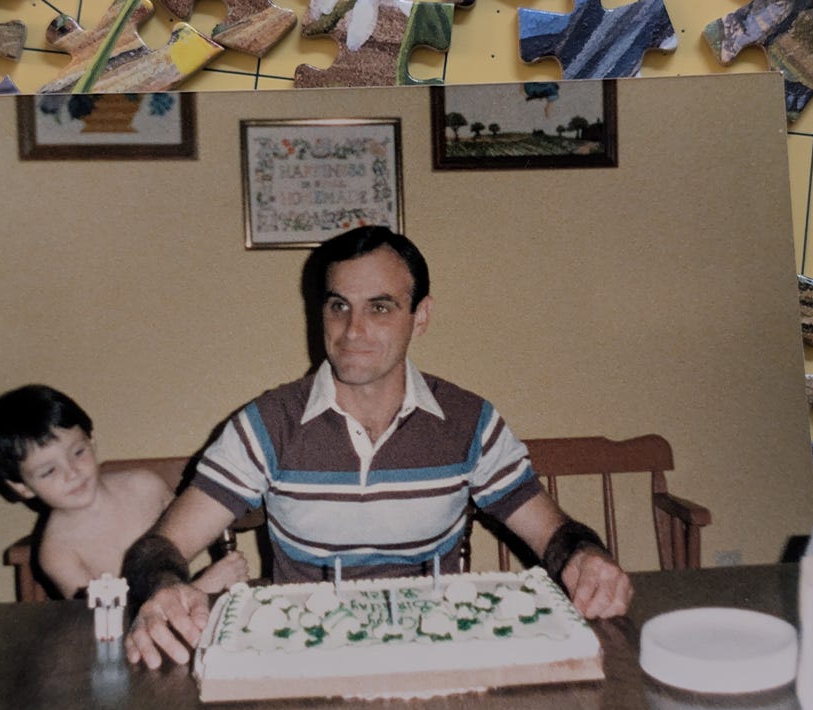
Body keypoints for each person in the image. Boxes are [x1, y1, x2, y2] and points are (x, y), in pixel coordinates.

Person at [122, 226, 632, 669]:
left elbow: (555, 534)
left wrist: (586, 556)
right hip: (306, 661)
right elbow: (158, 548)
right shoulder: (267, 425)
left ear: (420, 316)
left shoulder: (469, 423)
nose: (353, 330)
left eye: (380, 307)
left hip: (438, 658)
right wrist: (163, 588)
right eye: (338, 306)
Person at [0, 384, 247, 600]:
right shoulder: (58, 552)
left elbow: (200, 525)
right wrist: (202, 587)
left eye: (78, 452)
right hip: (138, 641)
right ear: (22, 487)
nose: (72, 472)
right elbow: (106, 623)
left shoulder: (145, 486)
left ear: (92, 440)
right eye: (49, 471)